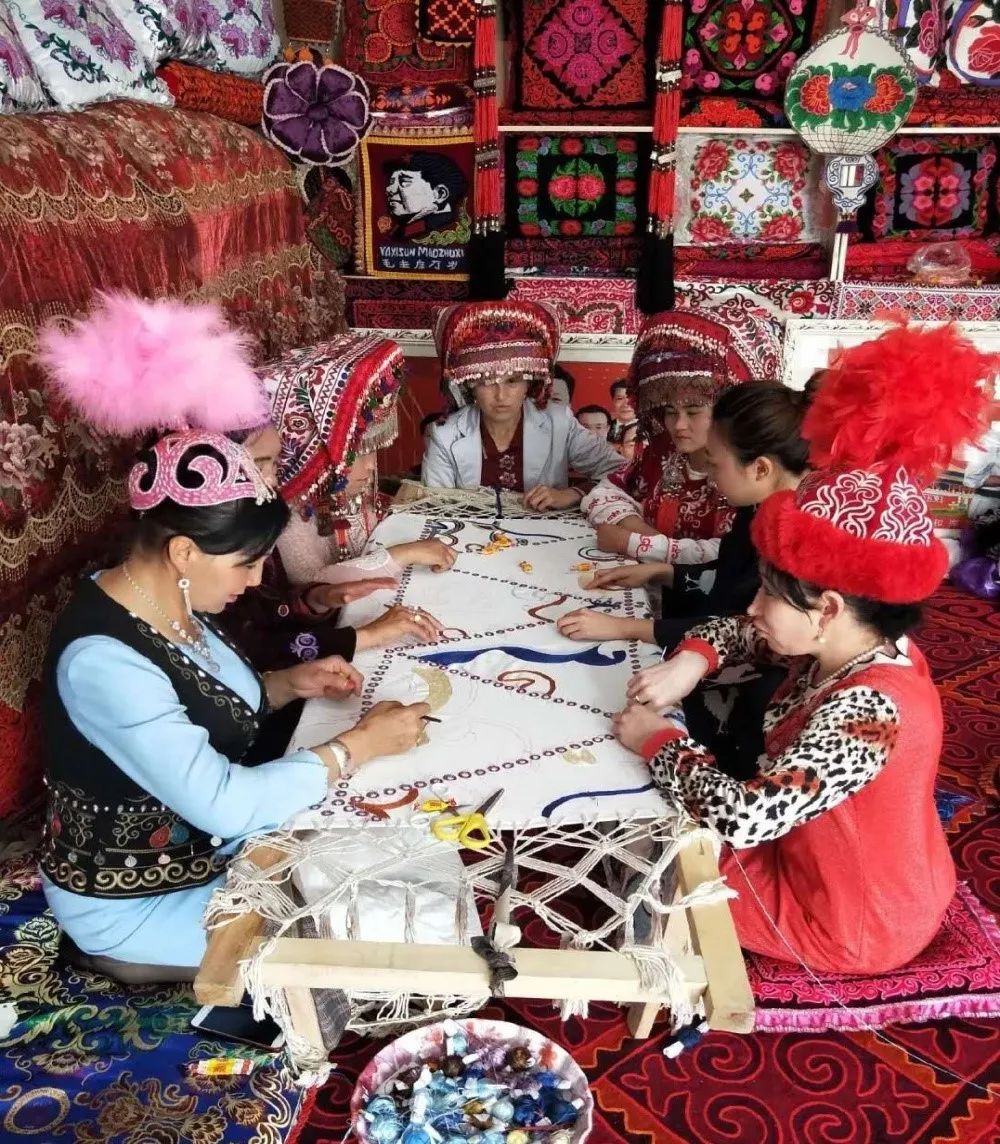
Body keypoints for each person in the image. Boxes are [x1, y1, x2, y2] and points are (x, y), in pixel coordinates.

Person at [37, 305, 431, 978]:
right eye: (246, 564)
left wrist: (288, 685)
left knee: (400, 860)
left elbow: (200, 702)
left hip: (208, 847)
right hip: (139, 898)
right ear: (184, 552)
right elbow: (220, 801)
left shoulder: (168, 597)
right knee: (377, 933)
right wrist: (355, 746)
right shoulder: (104, 662)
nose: (254, 581)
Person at [613, 324, 994, 975]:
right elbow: (742, 633)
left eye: (769, 593)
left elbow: (745, 816)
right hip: (836, 865)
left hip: (849, 920)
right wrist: (692, 659)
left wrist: (658, 741)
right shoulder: (861, 645)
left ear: (828, 610)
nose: (753, 607)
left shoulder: (869, 711)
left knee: (648, 844)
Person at [559, 381, 815, 778]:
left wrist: (625, 628)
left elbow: (743, 620)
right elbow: (729, 586)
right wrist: (662, 572)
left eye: (715, 463)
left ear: (761, 468)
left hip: (754, 708)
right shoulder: (758, 509)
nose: (710, 474)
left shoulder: (797, 537)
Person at [233, 337, 457, 668]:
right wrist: (402, 554)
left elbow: (311, 594)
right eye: (358, 455)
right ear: (315, 455)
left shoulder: (344, 491)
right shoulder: (289, 511)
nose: (371, 466)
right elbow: (307, 583)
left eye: (373, 451)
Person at [582, 311, 754, 563]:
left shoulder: (745, 471)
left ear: (725, 414)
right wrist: (646, 534)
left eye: (693, 412)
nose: (679, 425)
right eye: (671, 411)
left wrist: (634, 543)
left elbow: (733, 556)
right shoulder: (663, 452)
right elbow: (603, 493)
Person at [421, 301, 623, 511]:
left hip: (543, 530)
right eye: (487, 382)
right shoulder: (445, 434)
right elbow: (435, 509)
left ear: (529, 383)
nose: (501, 396)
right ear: (470, 386)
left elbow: (619, 471)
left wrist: (572, 494)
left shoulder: (559, 422)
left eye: (512, 381)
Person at [383, 151, 469, 244]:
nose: (389, 189)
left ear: (440, 194)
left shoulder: (439, 225)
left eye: (404, 182)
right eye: (392, 183)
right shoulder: (403, 226)